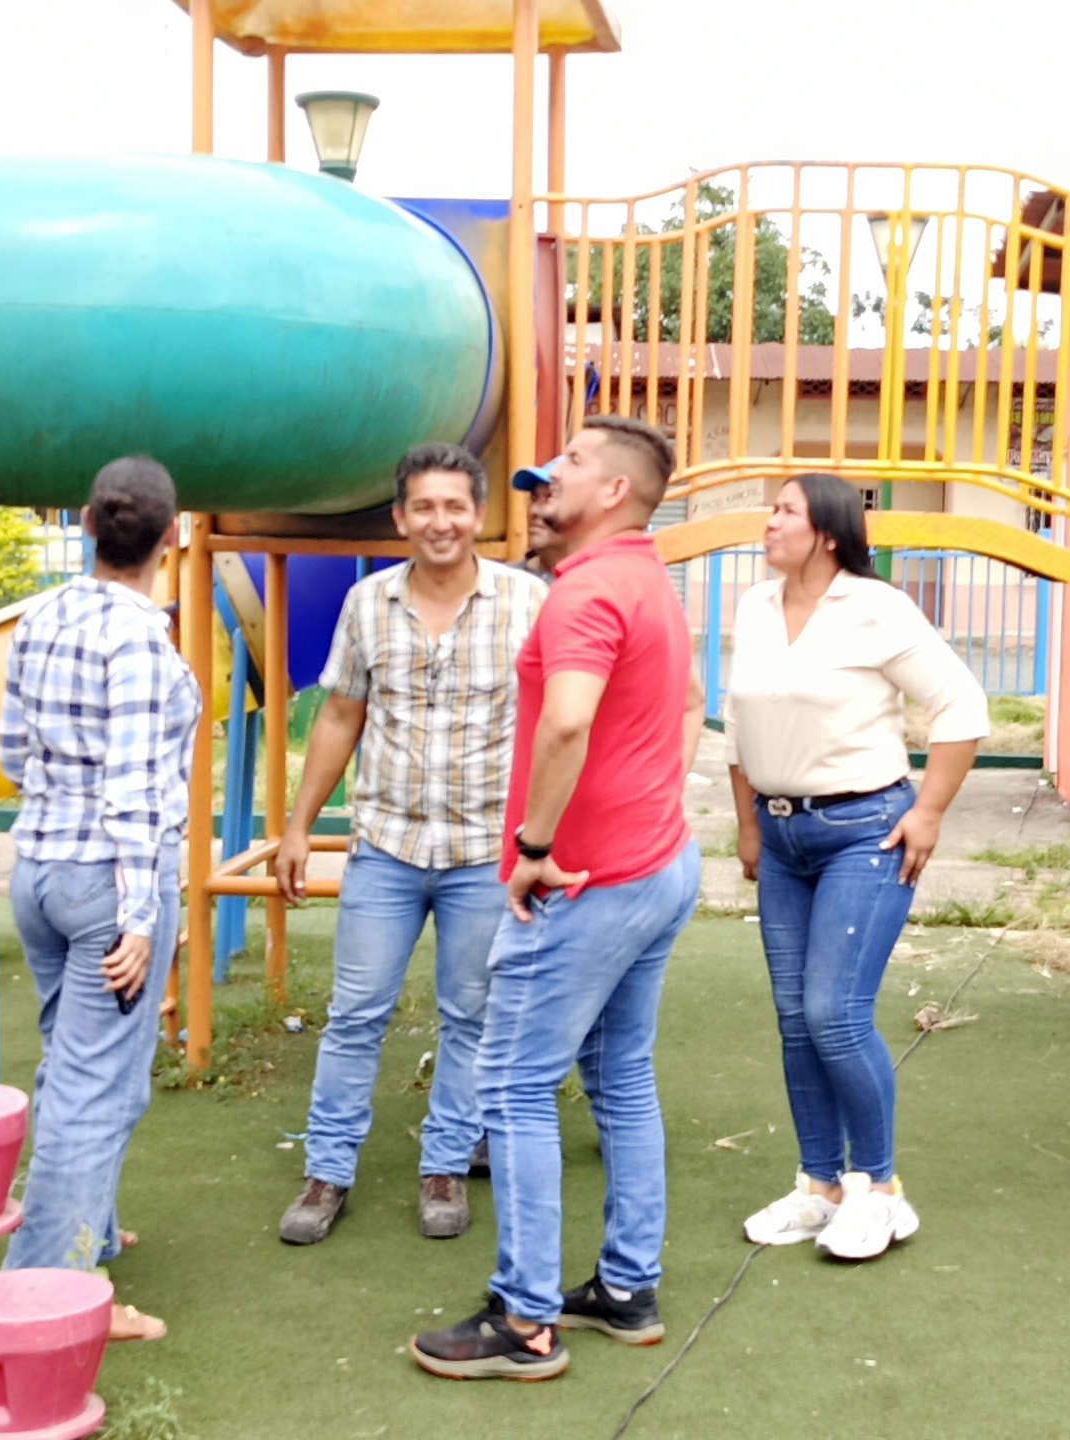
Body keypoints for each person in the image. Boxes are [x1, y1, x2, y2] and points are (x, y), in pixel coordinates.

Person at [408, 415, 703, 1381]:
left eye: (567, 466)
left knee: (513, 1086)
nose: (543, 485)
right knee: (621, 1077)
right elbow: (684, 708)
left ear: (614, 491)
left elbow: (567, 722)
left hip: (590, 882)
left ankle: (525, 1319)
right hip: (657, 866)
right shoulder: (648, 577)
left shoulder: (583, 593)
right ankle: (626, 1289)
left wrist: (534, 847)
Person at [274, 444, 545, 1245]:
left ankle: (446, 1165)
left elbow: (560, 720)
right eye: (423, 506)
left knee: (471, 1015)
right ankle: (327, 1173)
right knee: (355, 1014)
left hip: (483, 851)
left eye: (455, 506)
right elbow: (339, 716)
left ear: (479, 515)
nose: (440, 521)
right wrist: (298, 826)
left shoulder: (527, 602)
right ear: (399, 517)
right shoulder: (368, 603)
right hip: (387, 846)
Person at [724, 473, 989, 1261]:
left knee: (834, 1015)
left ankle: (880, 1190)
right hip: (781, 837)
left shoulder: (876, 608)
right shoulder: (755, 606)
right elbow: (739, 725)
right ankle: (821, 1187)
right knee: (795, 1020)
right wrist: (748, 827)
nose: (770, 522)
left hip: (863, 833)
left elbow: (962, 707)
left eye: (786, 511)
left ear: (829, 534)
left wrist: (928, 812)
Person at [0, 456, 200, 1340]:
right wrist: (142, 918)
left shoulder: (40, 617)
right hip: (111, 884)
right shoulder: (141, 641)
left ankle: (93, 1227)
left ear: (84, 523)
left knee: (77, 1066)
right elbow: (132, 791)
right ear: (171, 536)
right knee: (93, 1086)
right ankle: (54, 1289)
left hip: (41, 871)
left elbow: (11, 752)